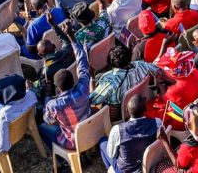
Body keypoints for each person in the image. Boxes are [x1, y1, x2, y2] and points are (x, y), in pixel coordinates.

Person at [41, 19, 92, 149]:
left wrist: (47, 95)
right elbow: (82, 61)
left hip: (73, 141)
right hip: (91, 129)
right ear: (73, 80)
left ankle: (61, 161)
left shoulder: (53, 105)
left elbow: (49, 120)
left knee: (42, 127)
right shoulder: (83, 88)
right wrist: (71, 36)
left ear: (57, 88)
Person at [100, 95, 161, 173]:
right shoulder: (157, 122)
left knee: (102, 142)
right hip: (147, 164)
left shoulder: (117, 130)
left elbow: (112, 155)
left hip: (125, 170)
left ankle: (113, 170)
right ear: (145, 109)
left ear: (126, 110)